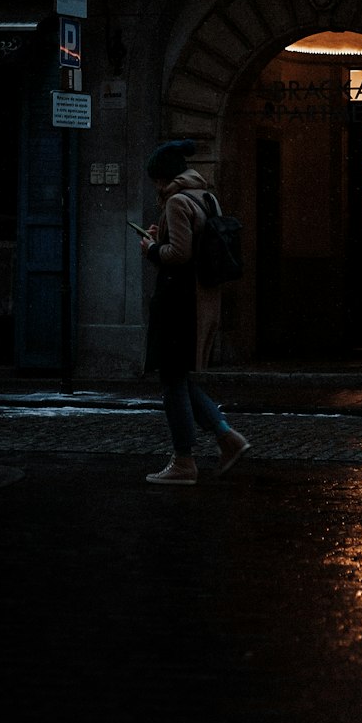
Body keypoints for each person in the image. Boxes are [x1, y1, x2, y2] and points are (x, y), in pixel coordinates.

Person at [140, 139, 250, 485]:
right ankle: (226, 437)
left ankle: (184, 461)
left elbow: (179, 255)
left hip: (178, 304)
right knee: (179, 378)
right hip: (201, 300)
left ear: (164, 177)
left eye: (156, 179)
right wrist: (165, 239)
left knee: (172, 381)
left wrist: (152, 247)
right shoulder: (206, 196)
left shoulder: (176, 200)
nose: (155, 186)